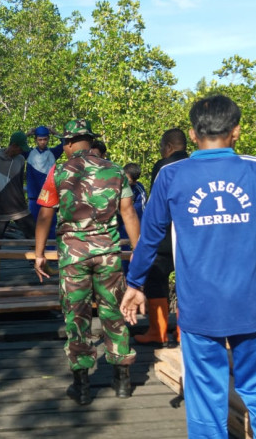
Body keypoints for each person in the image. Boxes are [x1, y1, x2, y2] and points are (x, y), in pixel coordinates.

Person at [121, 95, 256, 438]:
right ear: (236, 132)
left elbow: (150, 237)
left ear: (193, 132)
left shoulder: (172, 175)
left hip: (198, 310)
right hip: (253, 307)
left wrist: (134, 284)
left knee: (205, 401)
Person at [33, 118, 140, 405]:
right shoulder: (115, 169)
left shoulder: (59, 170)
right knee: (114, 313)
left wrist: (40, 253)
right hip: (108, 256)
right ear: (90, 141)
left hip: (73, 258)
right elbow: (128, 213)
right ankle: (122, 382)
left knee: (76, 317)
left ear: (68, 143)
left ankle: (81, 386)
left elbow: (44, 214)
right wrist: (139, 254)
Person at [133, 128, 188, 345]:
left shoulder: (164, 166)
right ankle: (185, 333)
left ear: (168, 147)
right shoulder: (194, 165)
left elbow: (157, 204)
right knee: (187, 284)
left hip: (164, 235)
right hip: (188, 236)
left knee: (156, 279)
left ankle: (158, 331)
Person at [0, 131, 33, 280]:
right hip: (0, 209)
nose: (22, 151)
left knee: (35, 235)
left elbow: (18, 184)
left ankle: (43, 266)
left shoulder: (20, 160)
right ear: (13, 145)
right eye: (20, 148)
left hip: (19, 208)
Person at [26, 125, 63, 240]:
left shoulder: (53, 153)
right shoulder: (29, 153)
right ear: (36, 140)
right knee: (33, 227)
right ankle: (35, 255)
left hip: (49, 197)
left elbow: (65, 143)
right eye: (40, 139)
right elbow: (16, 143)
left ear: (48, 139)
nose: (42, 142)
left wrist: (54, 132)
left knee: (51, 226)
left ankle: (51, 254)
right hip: (33, 198)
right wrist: (28, 133)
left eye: (45, 139)